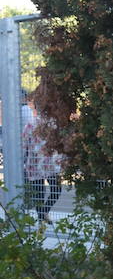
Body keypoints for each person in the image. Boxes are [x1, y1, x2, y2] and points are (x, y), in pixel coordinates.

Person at [20, 93, 63, 223]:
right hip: (51, 165)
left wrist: (23, 161)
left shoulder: (30, 125)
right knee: (56, 190)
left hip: (35, 164)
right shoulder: (54, 124)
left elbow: (23, 144)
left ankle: (42, 216)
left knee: (39, 193)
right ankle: (44, 214)